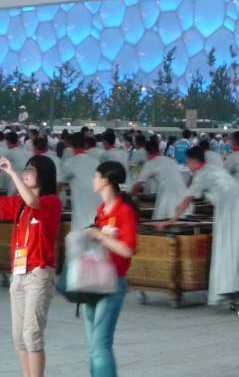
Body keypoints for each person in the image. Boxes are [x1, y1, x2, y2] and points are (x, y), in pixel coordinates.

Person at [0, 154, 61, 377]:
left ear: (44, 176)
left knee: (32, 334)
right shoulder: (20, 202)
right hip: (18, 273)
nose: (26, 172)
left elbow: (34, 202)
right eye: (25, 169)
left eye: (31, 170)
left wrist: (13, 174)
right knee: (19, 336)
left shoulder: (51, 202)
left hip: (39, 273)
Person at [157, 147, 239, 306]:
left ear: (195, 161)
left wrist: (170, 221)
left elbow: (186, 200)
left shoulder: (202, 174)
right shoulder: (213, 169)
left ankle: (231, 290)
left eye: (188, 162)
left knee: (227, 250)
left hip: (230, 212)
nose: (188, 165)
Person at [83, 161, 138, 377]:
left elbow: (128, 250)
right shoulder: (102, 209)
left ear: (106, 180)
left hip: (113, 281)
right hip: (93, 280)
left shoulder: (124, 211)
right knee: (94, 346)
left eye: (96, 176)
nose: (93, 180)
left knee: (100, 344)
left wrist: (98, 236)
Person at [132, 139, 189, 220]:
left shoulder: (150, 163)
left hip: (168, 196)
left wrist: (129, 195)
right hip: (183, 194)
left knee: (164, 220)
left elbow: (138, 184)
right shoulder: (171, 160)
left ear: (147, 153)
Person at [60, 132, 101, 234]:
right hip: (98, 210)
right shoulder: (96, 162)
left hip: (81, 213)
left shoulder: (70, 163)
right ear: (85, 144)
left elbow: (59, 185)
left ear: (70, 145)